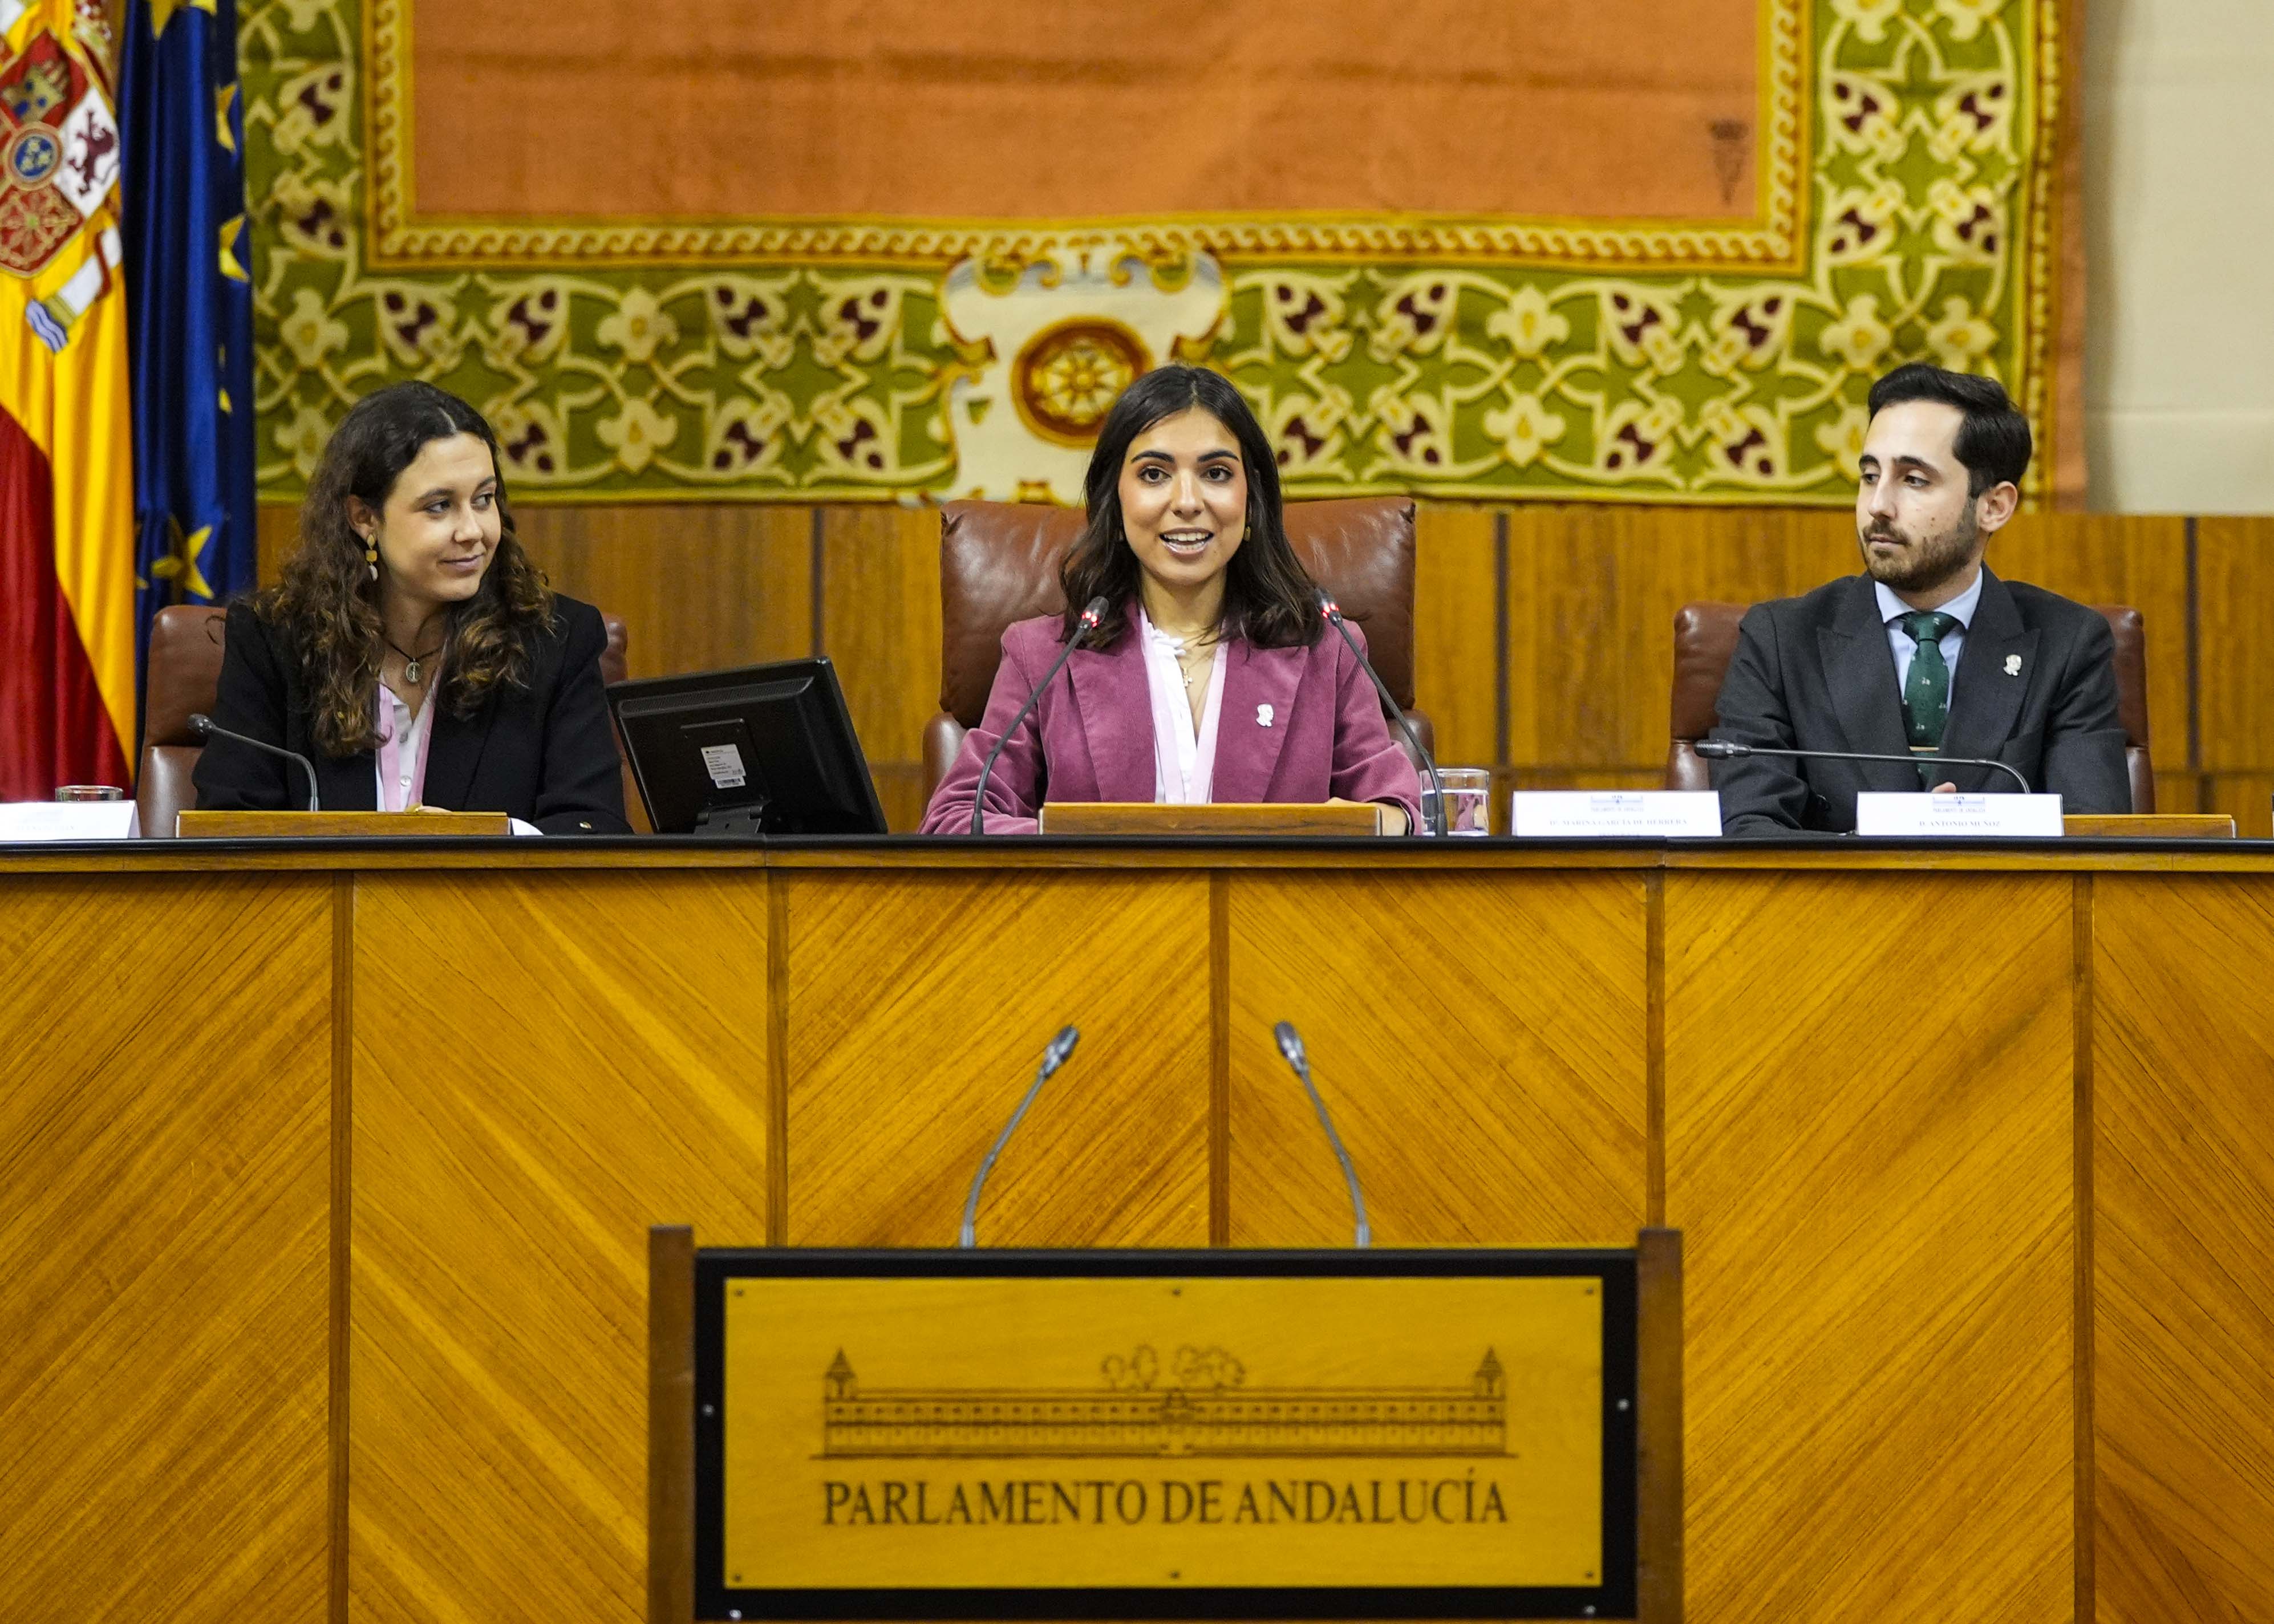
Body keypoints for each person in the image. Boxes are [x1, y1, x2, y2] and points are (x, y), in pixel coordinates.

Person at [921, 366, 1422, 835]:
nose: (1186, 502)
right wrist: (1087, 844)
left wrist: (1352, 827)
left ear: (1252, 503)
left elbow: (1400, 811)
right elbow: (957, 817)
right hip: (1097, 921)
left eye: (1217, 474)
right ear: (1114, 503)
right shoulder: (1044, 656)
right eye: (1154, 475)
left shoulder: (1327, 651)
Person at [1708, 363, 2130, 834]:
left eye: (1913, 480)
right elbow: (1749, 831)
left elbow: (2093, 837)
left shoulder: (2067, 645)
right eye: (1870, 476)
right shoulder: (1782, 641)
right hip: (1831, 905)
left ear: (1993, 506)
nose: (1877, 506)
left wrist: (1973, 834)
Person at [193, 381, 629, 833]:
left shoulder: (554, 640)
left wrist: (484, 842)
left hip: (490, 904)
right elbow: (230, 829)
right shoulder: (277, 640)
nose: (473, 531)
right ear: (364, 518)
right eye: (439, 507)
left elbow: (593, 828)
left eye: (484, 500)